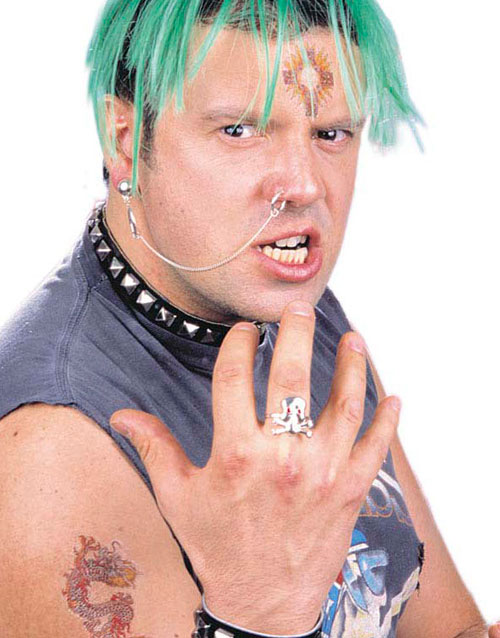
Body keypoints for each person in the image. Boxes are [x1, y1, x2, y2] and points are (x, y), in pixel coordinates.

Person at [0, 0, 498, 636]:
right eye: (239, 131)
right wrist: (259, 610)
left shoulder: (284, 306)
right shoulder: (48, 454)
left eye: (331, 134)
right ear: (125, 139)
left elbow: (445, 629)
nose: (305, 185)